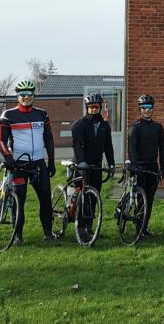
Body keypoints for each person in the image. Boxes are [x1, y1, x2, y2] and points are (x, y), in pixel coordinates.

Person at [0, 80, 56, 245]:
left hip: (38, 164)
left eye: (29, 94)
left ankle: (48, 233)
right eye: (23, 94)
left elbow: (49, 139)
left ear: (33, 95)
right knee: (18, 201)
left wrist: (51, 161)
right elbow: (1, 139)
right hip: (18, 165)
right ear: (18, 96)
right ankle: (18, 235)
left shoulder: (42, 114)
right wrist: (8, 157)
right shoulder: (8, 115)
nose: (26, 97)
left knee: (45, 200)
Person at [71, 93, 115, 237]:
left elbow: (108, 146)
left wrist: (111, 164)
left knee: (94, 198)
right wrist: (81, 163)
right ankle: (80, 227)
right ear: (86, 108)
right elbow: (77, 145)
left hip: (96, 166)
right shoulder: (79, 125)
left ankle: (89, 228)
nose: (94, 109)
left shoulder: (104, 126)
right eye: (91, 107)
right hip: (82, 165)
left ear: (100, 107)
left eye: (96, 107)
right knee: (82, 199)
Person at [128, 94, 164, 238]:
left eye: (149, 107)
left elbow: (162, 148)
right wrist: (134, 166)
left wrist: (163, 167)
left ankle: (144, 228)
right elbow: (131, 149)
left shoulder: (158, 127)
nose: (146, 110)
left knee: (149, 199)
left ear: (153, 109)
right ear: (140, 109)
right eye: (143, 108)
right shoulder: (135, 128)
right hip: (139, 168)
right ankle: (138, 229)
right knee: (140, 199)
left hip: (153, 168)